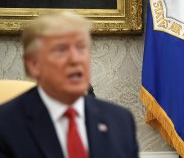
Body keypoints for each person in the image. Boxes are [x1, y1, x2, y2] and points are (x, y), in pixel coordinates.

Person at [0, 11, 138, 158]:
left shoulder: (120, 120)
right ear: (34, 65)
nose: (75, 59)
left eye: (81, 48)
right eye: (61, 50)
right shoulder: (5, 126)